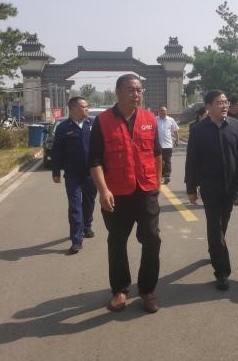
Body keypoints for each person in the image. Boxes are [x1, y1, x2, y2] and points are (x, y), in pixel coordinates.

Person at [88, 74, 163, 313]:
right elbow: (95, 160)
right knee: (117, 241)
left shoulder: (149, 119)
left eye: (139, 90)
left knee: (152, 239)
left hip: (146, 190)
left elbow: (157, 154)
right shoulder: (102, 121)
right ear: (118, 92)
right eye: (131, 90)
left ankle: (147, 290)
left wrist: (157, 184)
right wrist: (103, 191)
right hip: (116, 193)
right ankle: (120, 290)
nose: (136, 94)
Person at [185, 90, 238, 291]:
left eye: (225, 102)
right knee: (214, 226)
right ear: (208, 107)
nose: (224, 106)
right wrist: (191, 188)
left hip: (231, 186)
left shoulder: (236, 126)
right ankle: (222, 271)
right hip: (209, 186)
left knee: (223, 223)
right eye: (219, 102)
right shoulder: (199, 130)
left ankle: (215, 250)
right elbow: (192, 161)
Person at [51, 96, 97, 255]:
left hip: (91, 173)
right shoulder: (63, 128)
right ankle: (76, 240)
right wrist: (56, 172)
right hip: (72, 175)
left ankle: (87, 226)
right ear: (73, 109)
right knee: (75, 207)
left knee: (89, 203)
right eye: (84, 107)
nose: (87, 109)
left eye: (87, 107)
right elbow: (56, 151)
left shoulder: (93, 124)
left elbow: (102, 147)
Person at [156, 106, 179, 184]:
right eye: (161, 111)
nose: (162, 112)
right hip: (158, 145)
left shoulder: (171, 120)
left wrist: (177, 140)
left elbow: (175, 130)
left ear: (166, 112)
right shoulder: (155, 119)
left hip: (168, 145)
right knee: (159, 161)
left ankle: (167, 176)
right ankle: (160, 175)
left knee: (167, 161)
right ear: (158, 112)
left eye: (164, 111)